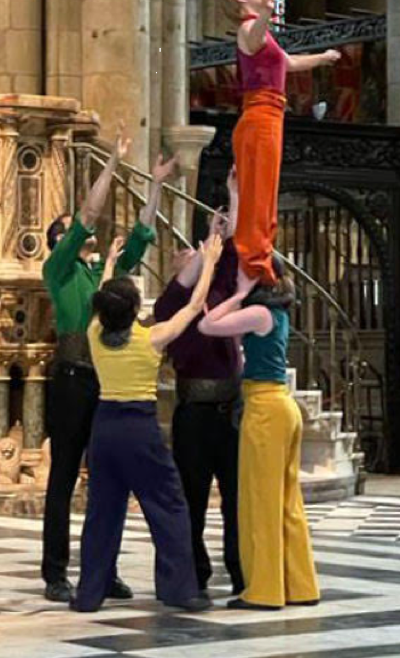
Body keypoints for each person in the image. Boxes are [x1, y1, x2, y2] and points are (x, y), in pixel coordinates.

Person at [42, 123, 176, 603]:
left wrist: (157, 182)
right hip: (71, 382)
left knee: (107, 485)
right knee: (61, 478)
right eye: (73, 230)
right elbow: (90, 210)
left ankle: (103, 571)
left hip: (106, 384)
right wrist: (116, 162)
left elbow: (144, 230)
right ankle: (55, 572)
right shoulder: (58, 270)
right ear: (61, 239)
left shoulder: (106, 273)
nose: (88, 231)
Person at [71, 235, 223, 613]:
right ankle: (180, 590)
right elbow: (193, 306)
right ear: (137, 308)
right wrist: (211, 262)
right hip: (139, 428)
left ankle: (90, 593)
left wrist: (108, 261)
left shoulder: (94, 334)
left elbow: (102, 298)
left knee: (102, 512)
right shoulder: (152, 338)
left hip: (104, 429)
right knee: (168, 506)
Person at [199, 258, 320, 610]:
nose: (236, 273)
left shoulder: (259, 314)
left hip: (266, 408)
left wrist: (238, 293)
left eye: (243, 270)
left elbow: (208, 324)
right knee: (286, 503)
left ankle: (265, 590)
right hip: (281, 405)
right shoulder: (275, 313)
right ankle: (300, 585)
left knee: (261, 503)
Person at [218, 0, 341, 286]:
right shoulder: (247, 29)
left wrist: (324, 58)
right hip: (259, 115)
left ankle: (258, 262)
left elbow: (289, 62)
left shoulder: (260, 31)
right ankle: (254, 266)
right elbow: (256, 36)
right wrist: (266, 13)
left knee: (266, 193)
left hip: (269, 115)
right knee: (259, 195)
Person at [154, 168, 244, 597]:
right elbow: (192, 278)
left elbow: (234, 246)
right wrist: (208, 247)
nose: (192, 253)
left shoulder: (221, 288)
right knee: (191, 500)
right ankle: (195, 574)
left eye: (195, 250)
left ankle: (241, 570)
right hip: (192, 414)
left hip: (228, 411)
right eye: (184, 253)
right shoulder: (170, 304)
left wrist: (233, 194)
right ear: (176, 268)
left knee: (236, 501)